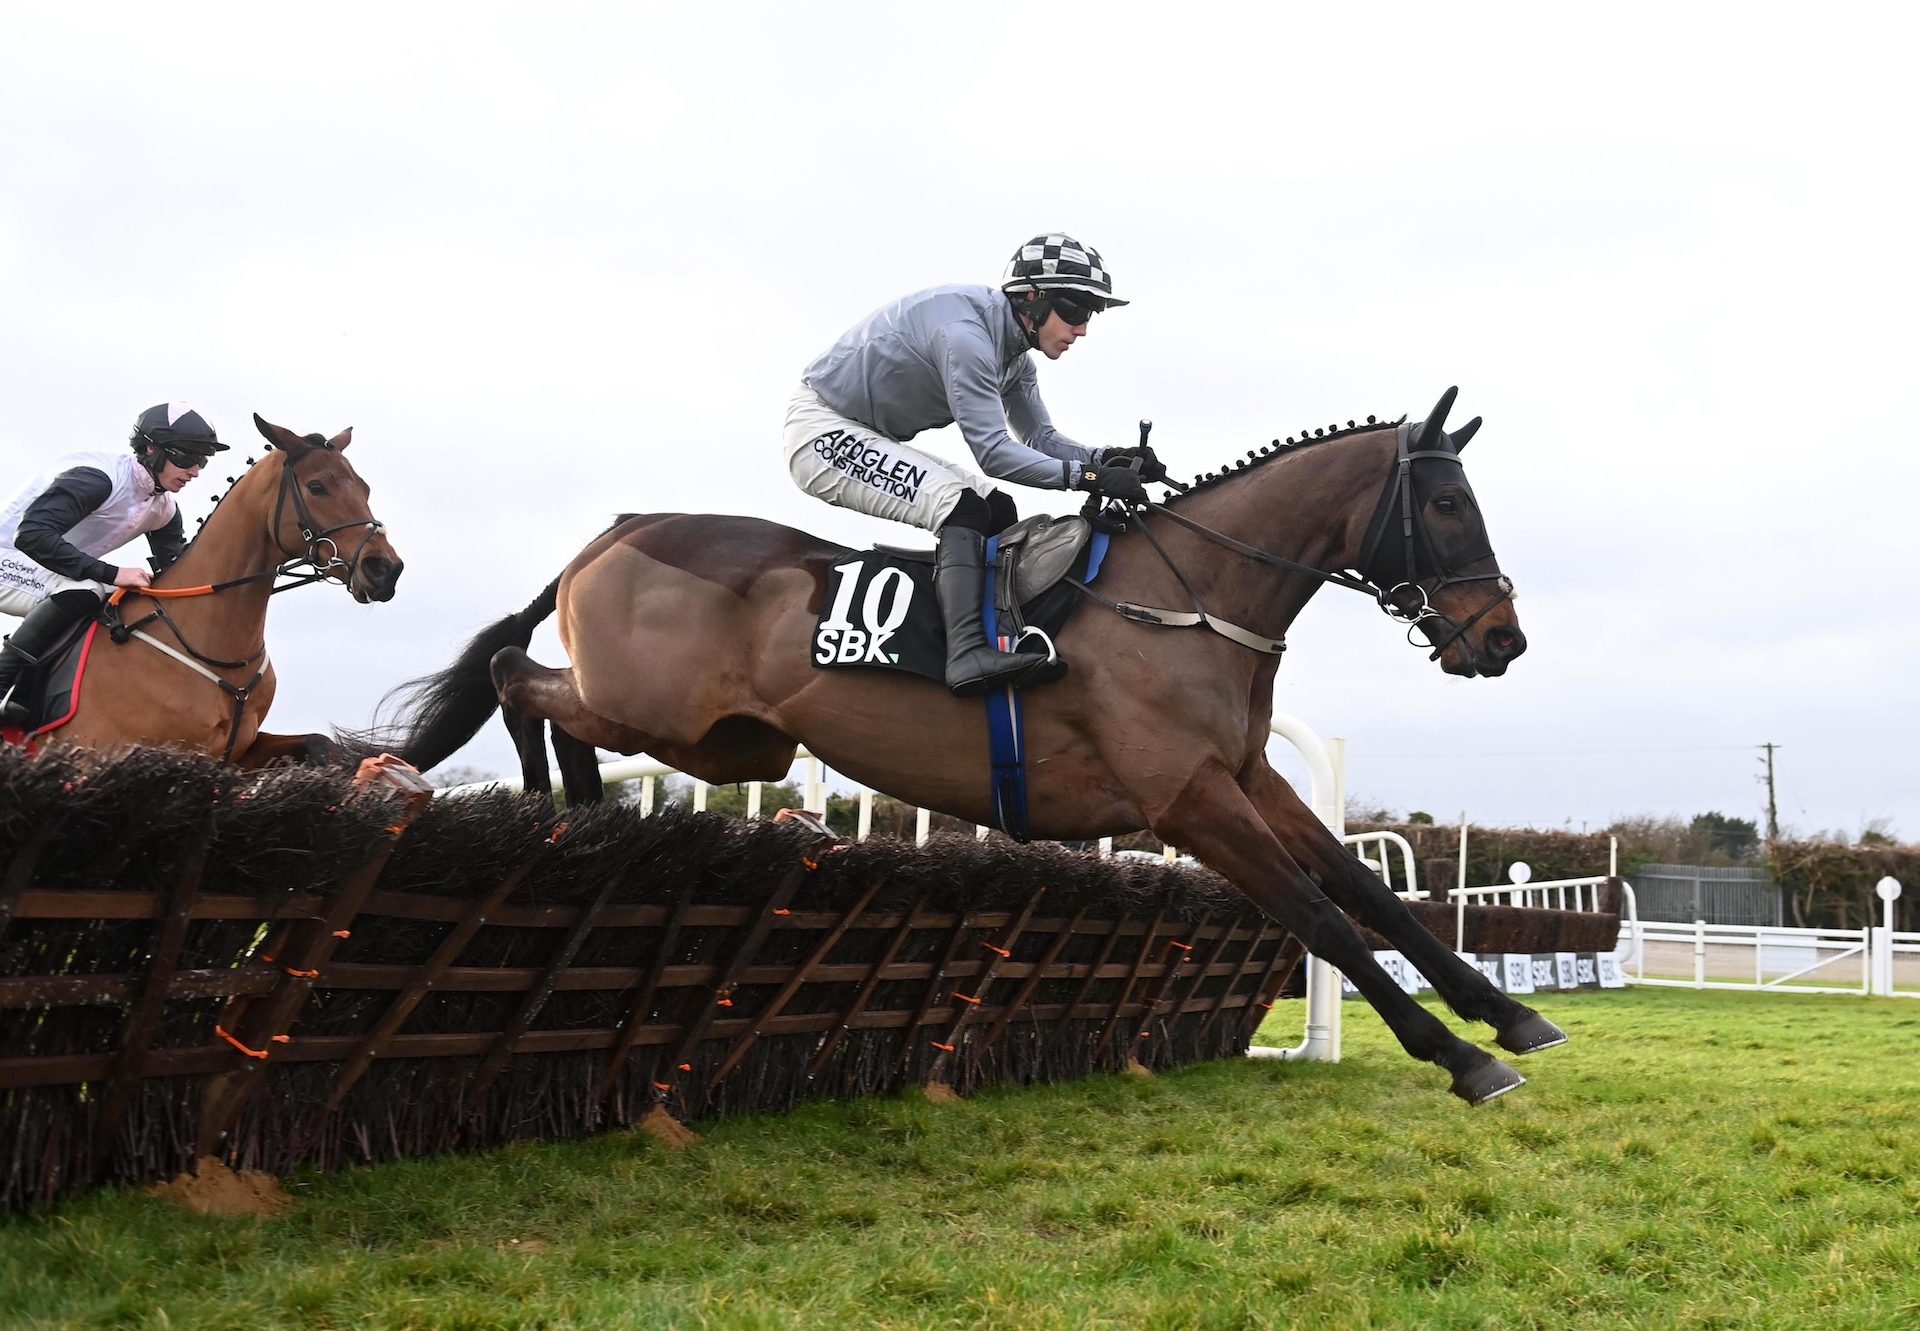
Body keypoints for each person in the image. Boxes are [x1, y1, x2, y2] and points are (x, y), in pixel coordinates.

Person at [786, 233, 1168, 697]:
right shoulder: (967, 339)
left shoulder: (1014, 358)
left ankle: (995, 638)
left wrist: (1108, 458)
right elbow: (994, 454)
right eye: (1075, 311)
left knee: (997, 509)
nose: (1082, 329)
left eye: (1090, 315)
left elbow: (1039, 439)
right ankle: (965, 653)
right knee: (962, 507)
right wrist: (1088, 477)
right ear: (1032, 299)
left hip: (862, 432)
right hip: (821, 431)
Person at [0, 403, 227, 724]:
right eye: (187, 458)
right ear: (151, 449)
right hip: (8, 555)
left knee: (125, 599)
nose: (195, 471)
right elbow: (31, 536)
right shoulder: (97, 479)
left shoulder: (164, 510)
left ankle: (34, 698)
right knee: (89, 587)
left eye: (202, 460)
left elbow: (178, 577)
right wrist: (114, 573)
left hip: (49, 567)